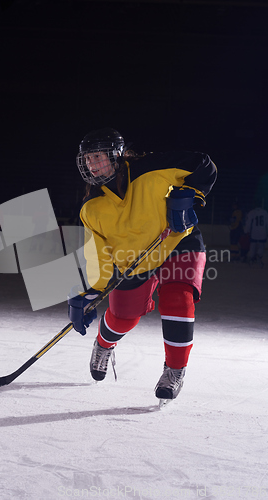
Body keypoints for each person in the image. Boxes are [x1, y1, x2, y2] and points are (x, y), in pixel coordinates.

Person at [68, 128, 217, 404]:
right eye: (87, 159)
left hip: (177, 240)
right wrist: (88, 294)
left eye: (97, 157)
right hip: (136, 261)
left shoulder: (152, 168)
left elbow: (203, 165)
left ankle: (174, 371)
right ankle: (104, 345)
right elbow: (100, 261)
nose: (91, 164)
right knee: (123, 316)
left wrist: (189, 194)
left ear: (116, 155)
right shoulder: (92, 208)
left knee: (179, 298)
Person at [244, 202, 268, 267]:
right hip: (262, 233)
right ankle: (259, 257)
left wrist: (246, 231)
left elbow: (248, 223)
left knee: (252, 246)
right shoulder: (265, 212)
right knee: (261, 246)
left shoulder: (252, 212)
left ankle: (251, 259)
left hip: (254, 233)